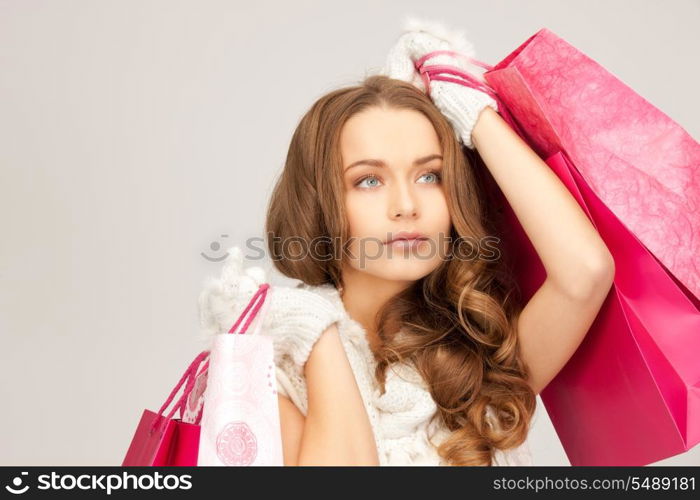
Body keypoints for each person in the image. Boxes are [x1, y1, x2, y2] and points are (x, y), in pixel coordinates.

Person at [197, 17, 615, 466]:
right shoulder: (269, 365)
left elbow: (585, 271)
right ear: (318, 203)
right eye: (369, 180)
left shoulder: (475, 357)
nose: (406, 205)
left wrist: (473, 113)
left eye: (430, 175)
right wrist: (316, 332)